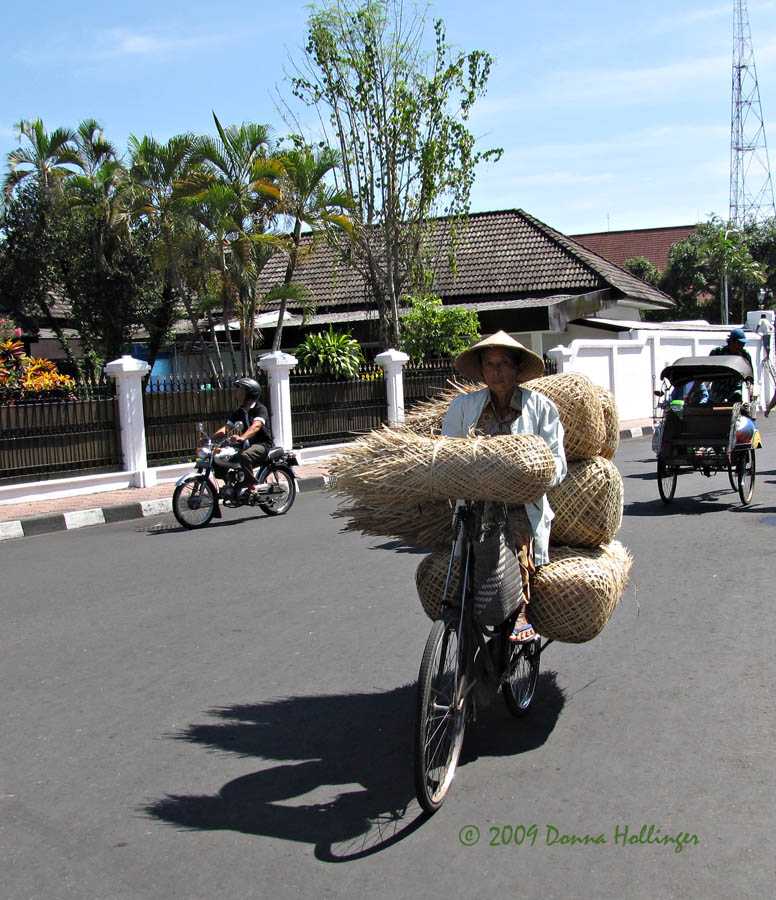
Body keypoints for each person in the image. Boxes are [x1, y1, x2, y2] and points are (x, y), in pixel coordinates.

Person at [441, 331, 567, 643]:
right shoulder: (463, 407)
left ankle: (522, 610)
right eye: (489, 364)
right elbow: (447, 451)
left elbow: (558, 465)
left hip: (520, 504)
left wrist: (531, 474)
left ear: (516, 368)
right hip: (475, 502)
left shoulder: (541, 408)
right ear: (482, 371)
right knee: (465, 559)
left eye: (504, 363)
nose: (496, 370)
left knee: (516, 542)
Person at [211, 377, 273, 497]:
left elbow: (256, 426)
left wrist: (242, 437)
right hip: (246, 445)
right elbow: (226, 428)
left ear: (249, 393)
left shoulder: (260, 409)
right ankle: (230, 483)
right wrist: (210, 438)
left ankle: (251, 484)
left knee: (244, 455)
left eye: (240, 391)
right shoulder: (239, 412)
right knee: (219, 455)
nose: (236, 394)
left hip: (262, 445)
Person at [686, 328, 754, 406]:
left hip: (734, 391)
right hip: (717, 391)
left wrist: (751, 391)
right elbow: (704, 373)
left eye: (743, 344)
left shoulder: (745, 355)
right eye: (739, 344)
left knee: (735, 409)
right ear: (731, 341)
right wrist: (689, 393)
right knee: (713, 412)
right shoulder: (718, 352)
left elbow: (750, 377)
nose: (741, 347)